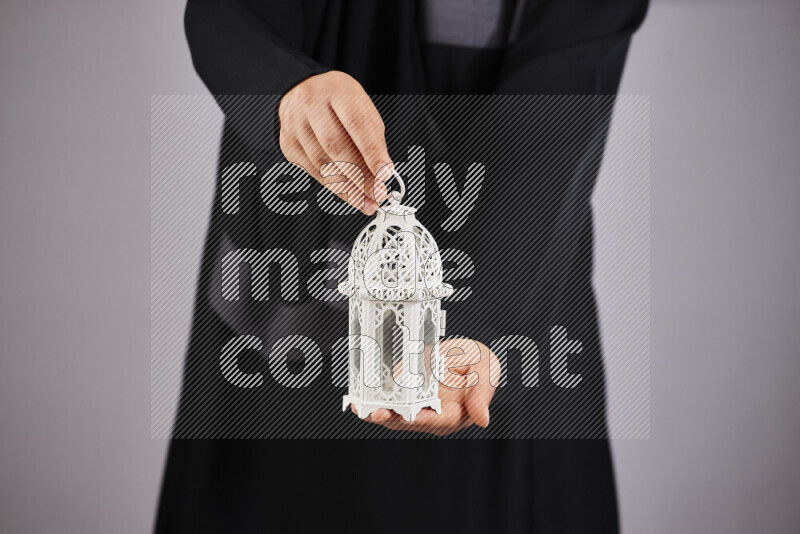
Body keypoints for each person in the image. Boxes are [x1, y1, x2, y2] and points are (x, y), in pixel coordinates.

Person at [156, 1, 649, 532]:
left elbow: (565, 98)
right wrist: (285, 87)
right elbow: (226, 15)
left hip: (521, 256)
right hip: (295, 271)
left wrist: (478, 327)